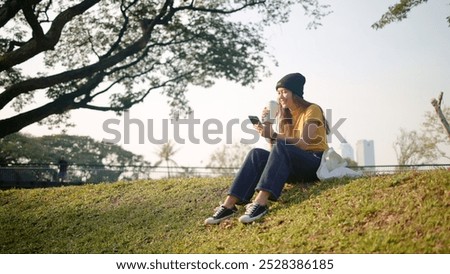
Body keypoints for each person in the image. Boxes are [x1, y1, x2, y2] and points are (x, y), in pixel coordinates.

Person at [204, 73, 329, 225]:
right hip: (293, 167)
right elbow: (274, 151)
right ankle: (228, 205)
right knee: (256, 154)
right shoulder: (286, 116)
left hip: (313, 162)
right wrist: (268, 123)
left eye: (284, 92)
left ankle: (261, 203)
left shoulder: (312, 109)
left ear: (295, 94)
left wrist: (275, 134)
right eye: (278, 93)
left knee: (281, 145)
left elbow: (303, 144)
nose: (280, 96)